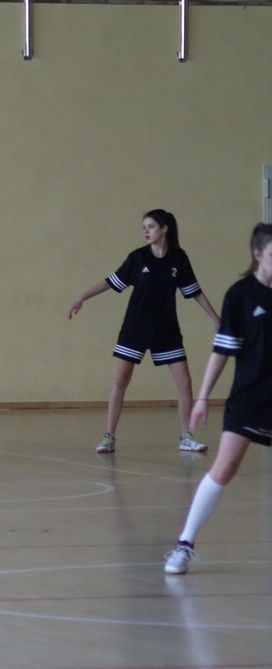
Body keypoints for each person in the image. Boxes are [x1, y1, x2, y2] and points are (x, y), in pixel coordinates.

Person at [163, 223, 272, 574]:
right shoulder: (241, 295)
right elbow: (222, 351)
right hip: (249, 397)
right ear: (258, 254)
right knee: (224, 469)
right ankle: (184, 544)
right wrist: (202, 397)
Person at [68, 209, 219, 454]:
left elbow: (194, 291)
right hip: (135, 328)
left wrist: (216, 318)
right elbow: (111, 281)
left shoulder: (179, 258)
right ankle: (108, 436)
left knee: (184, 382)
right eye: (144, 228)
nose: (146, 231)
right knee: (120, 381)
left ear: (164, 228)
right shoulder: (137, 258)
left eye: (150, 226)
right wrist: (82, 297)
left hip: (166, 329)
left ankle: (186, 437)